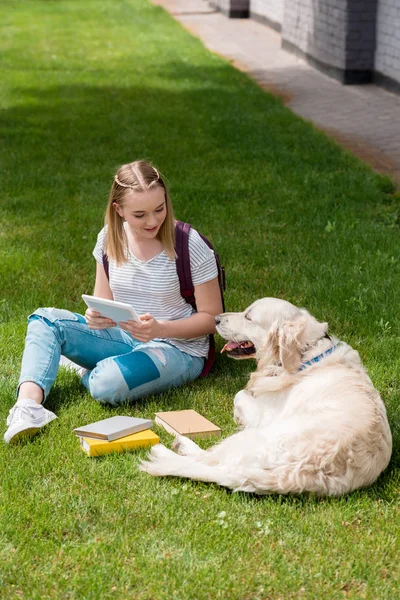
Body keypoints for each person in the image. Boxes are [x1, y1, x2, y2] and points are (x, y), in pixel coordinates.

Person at [4, 160, 223, 443]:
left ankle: (88, 366)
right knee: (45, 319)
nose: (153, 221)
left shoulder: (189, 244)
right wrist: (94, 317)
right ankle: (29, 407)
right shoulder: (110, 237)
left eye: (160, 208)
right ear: (118, 210)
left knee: (106, 384)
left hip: (177, 350)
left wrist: (160, 330)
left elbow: (212, 319)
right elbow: (101, 302)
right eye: (140, 214)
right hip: (125, 337)